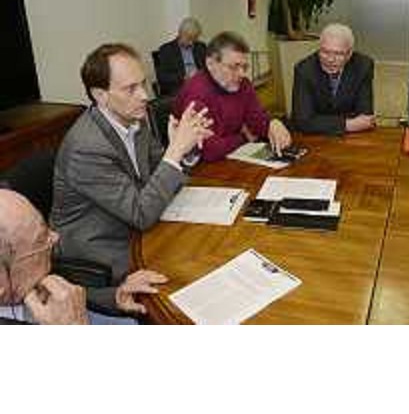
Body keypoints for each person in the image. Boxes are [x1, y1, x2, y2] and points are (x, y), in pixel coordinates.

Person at [49, 43, 212, 314]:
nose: (145, 96)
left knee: (203, 246)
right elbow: (141, 213)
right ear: (100, 95)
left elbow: (159, 171)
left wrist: (185, 149)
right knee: (191, 278)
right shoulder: (86, 147)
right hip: (100, 250)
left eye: (143, 84)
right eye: (130, 89)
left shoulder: (136, 118)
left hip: (135, 227)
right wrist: (175, 151)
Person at [0, 189, 167, 324]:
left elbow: (70, 293)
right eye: (40, 239)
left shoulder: (27, 281)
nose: (55, 237)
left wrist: (115, 296)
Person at [173, 31, 291, 162]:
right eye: (234, 67)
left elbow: (257, 120)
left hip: (231, 158)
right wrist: (243, 137)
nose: (242, 74)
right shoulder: (196, 93)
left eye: (244, 67)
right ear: (210, 64)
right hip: (201, 168)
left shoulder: (243, 84)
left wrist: (272, 123)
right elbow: (208, 150)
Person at [291, 23, 375, 136]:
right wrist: (347, 124)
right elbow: (303, 121)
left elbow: (365, 118)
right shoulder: (304, 70)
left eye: (338, 54)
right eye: (325, 52)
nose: (330, 60)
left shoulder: (363, 66)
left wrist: (320, 121)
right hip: (314, 138)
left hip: (353, 137)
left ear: (349, 54)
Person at [156, 17, 207, 96]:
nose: (191, 43)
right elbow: (162, 77)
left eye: (194, 39)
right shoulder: (166, 50)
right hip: (180, 86)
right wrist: (183, 77)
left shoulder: (201, 47)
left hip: (200, 83)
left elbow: (208, 66)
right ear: (181, 34)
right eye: (189, 38)